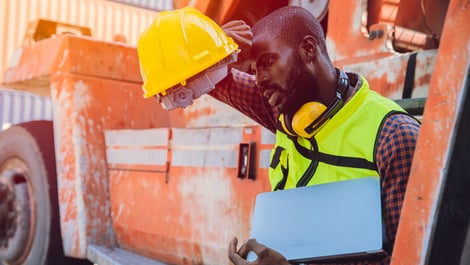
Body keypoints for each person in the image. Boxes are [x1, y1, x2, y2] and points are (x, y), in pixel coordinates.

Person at [137, 6, 421, 265]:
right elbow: (212, 81)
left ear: (308, 49)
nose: (258, 80)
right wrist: (212, 45)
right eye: (254, 69)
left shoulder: (393, 138)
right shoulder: (285, 112)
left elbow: (414, 258)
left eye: (268, 62)